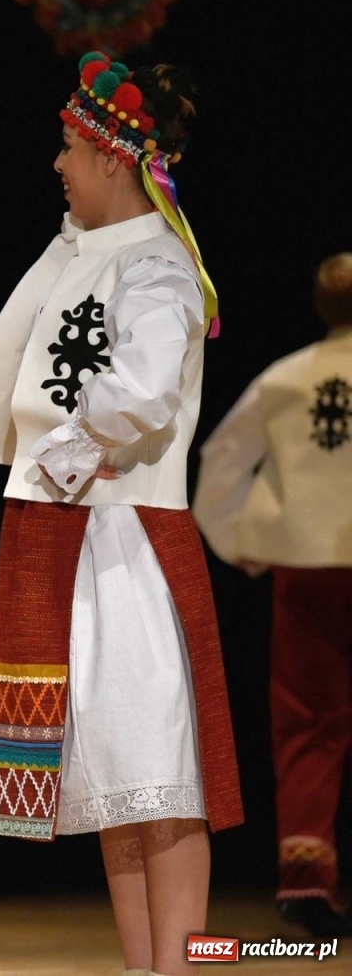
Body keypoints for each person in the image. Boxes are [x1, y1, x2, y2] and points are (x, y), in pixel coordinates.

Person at [0, 52, 242, 976]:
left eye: (71, 147)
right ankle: (148, 967)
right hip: (64, 531)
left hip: (127, 540)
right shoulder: (80, 257)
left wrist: (66, 452)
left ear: (114, 158)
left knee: (159, 783)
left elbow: (144, 391)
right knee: (111, 785)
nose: (60, 164)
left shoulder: (158, 267)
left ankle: (186, 967)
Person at [192, 252, 352, 940]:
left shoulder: (283, 378)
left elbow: (219, 459)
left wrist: (242, 540)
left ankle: (305, 880)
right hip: (315, 562)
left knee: (307, 721)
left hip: (305, 564)